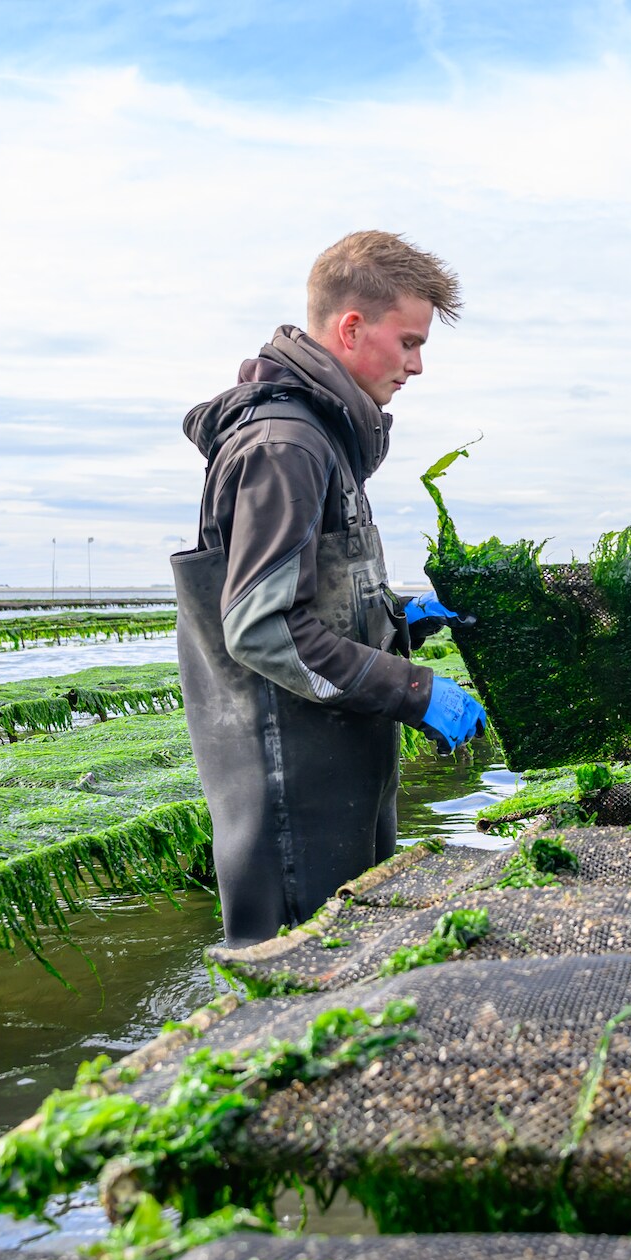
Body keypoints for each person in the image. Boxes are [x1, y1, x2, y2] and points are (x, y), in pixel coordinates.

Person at [172, 230, 487, 946]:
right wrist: (414, 690)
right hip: (291, 793)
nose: (417, 365)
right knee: (294, 970)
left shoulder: (325, 437)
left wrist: (406, 616)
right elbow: (262, 627)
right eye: (408, 342)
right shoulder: (285, 445)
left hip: (341, 773)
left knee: (353, 961)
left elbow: (321, 599)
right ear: (351, 328)